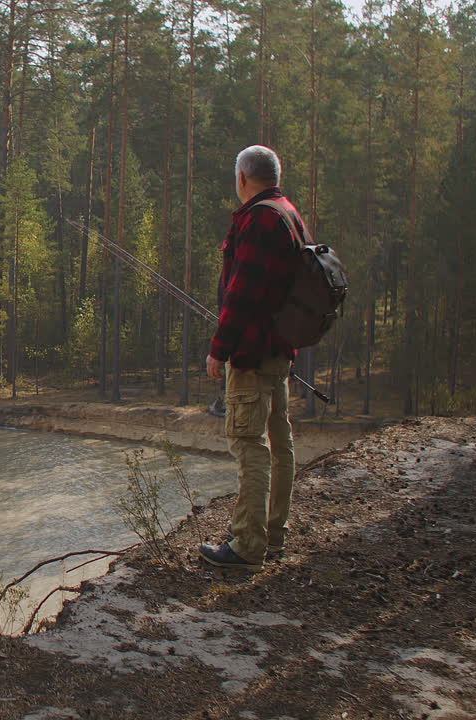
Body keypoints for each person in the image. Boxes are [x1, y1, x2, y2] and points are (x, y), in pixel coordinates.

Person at [199, 145, 304, 571]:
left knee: (248, 445)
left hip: (252, 354)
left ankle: (247, 546)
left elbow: (242, 293)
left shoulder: (259, 219)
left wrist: (218, 349)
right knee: (280, 444)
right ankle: (271, 534)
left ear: (243, 177)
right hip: (277, 349)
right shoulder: (286, 212)